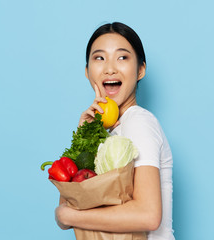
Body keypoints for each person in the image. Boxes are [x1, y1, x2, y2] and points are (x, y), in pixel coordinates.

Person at [55, 22, 174, 240]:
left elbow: (149, 215)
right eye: (99, 58)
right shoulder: (109, 133)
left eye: (122, 57)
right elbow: (72, 202)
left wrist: (69, 217)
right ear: (87, 71)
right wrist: (85, 135)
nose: (110, 68)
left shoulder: (138, 122)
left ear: (140, 70)